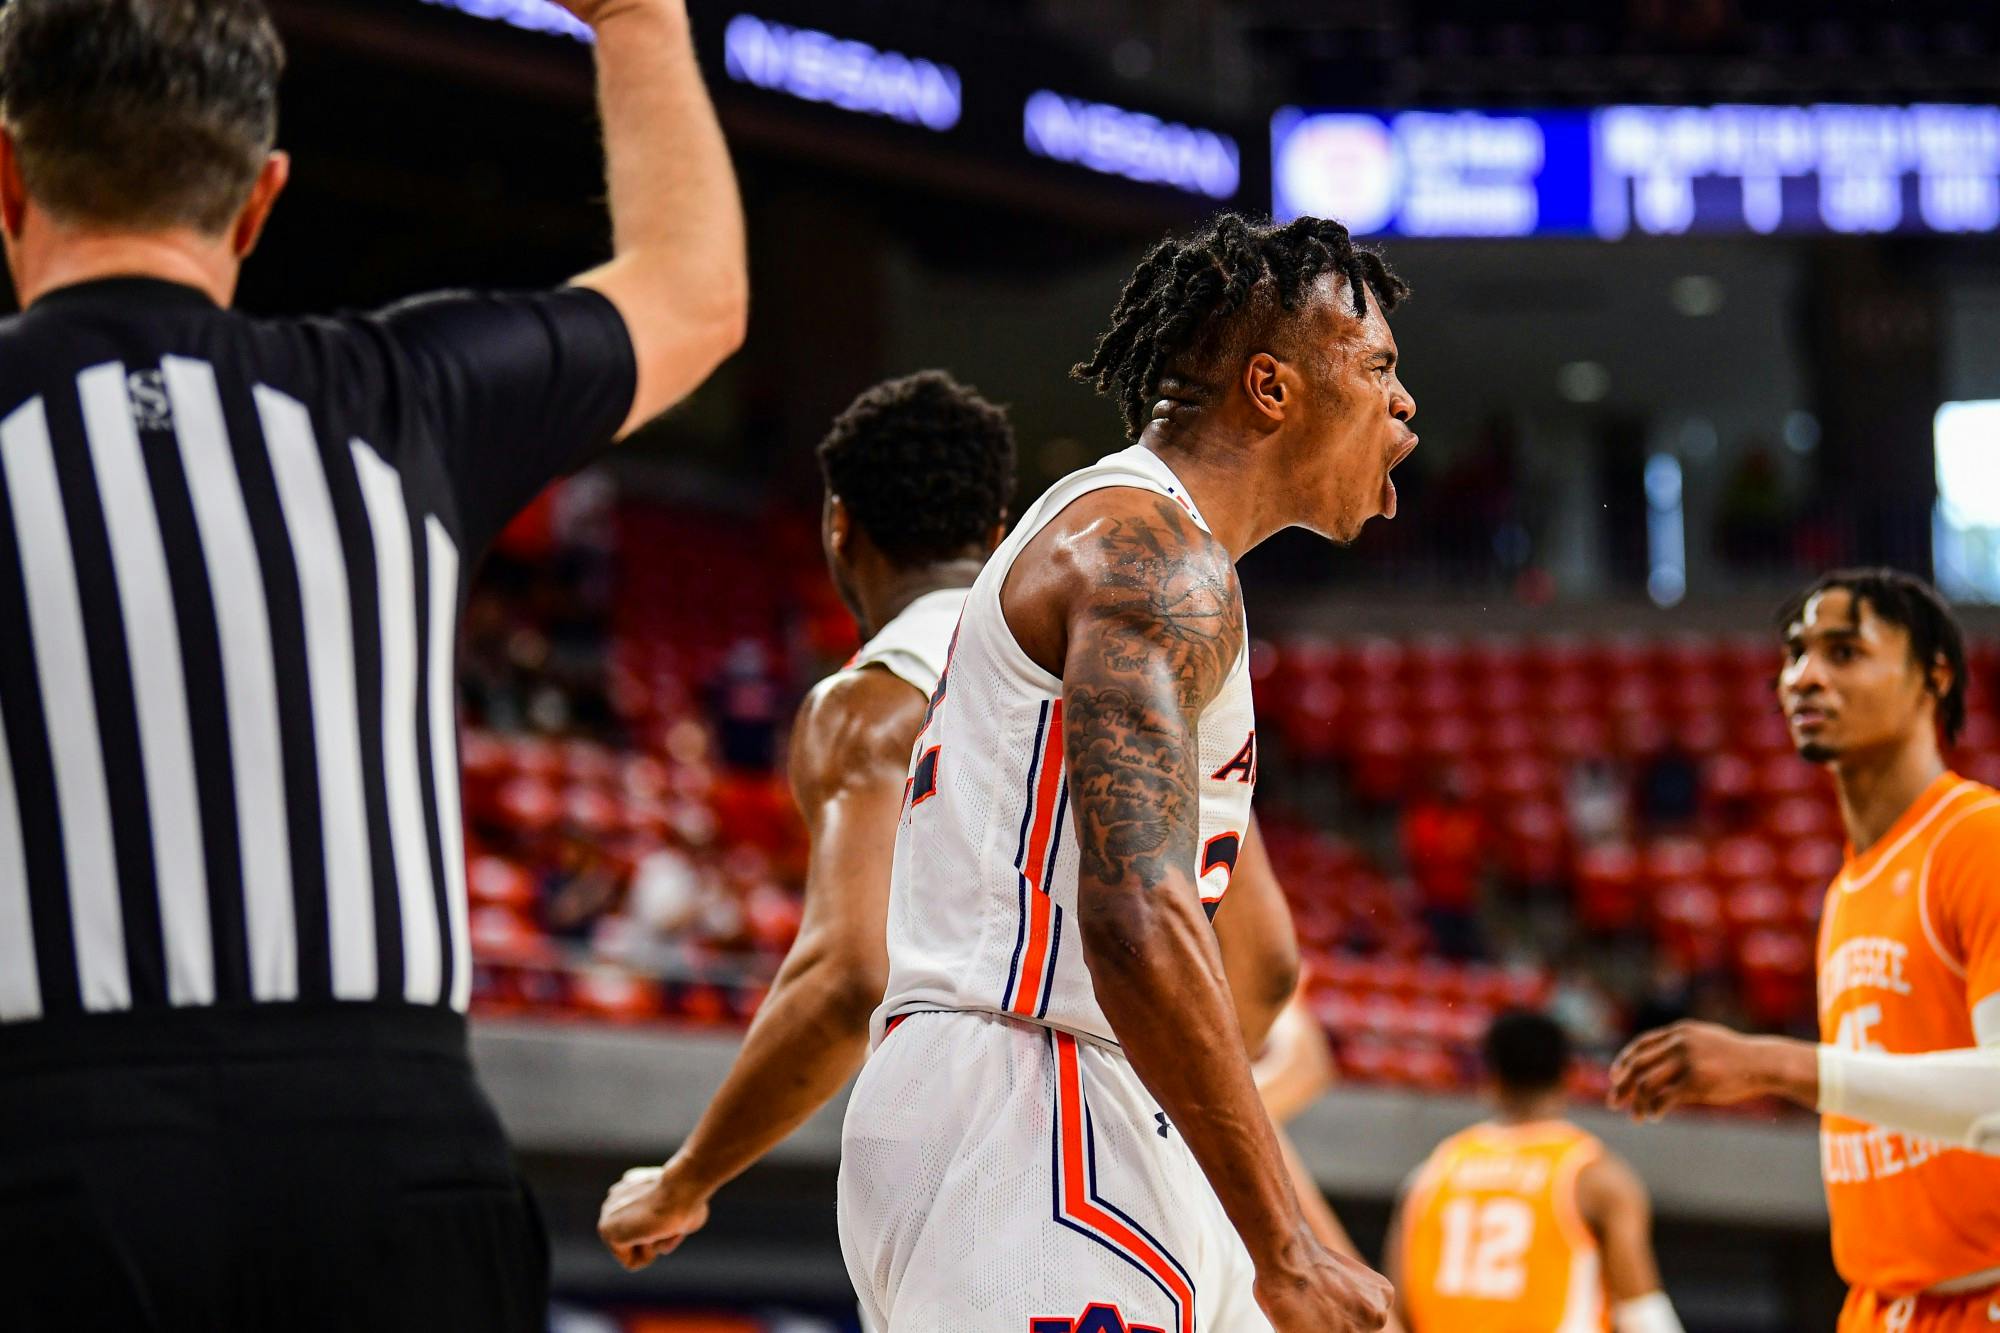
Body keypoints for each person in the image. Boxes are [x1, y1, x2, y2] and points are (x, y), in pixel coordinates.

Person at [0, 0, 744, 1327]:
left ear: (8, 179)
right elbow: (693, 289)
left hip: (53, 1156)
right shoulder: (402, 399)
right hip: (393, 1159)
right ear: (257, 200)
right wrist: (635, 19)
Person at [836, 212, 1416, 1333]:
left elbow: (1255, 962)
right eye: (1378, 366)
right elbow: (1135, 912)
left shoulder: (1160, 554)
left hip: (1082, 1090)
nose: (1402, 404)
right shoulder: (1147, 555)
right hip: (1025, 1094)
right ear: (1270, 386)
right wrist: (1283, 1244)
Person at [595, 369, 1017, 1263]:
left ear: (839, 528)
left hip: (994, 1200)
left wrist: (684, 1180)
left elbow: (848, 973)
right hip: (1171, 1202)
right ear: (998, 536)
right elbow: (1264, 967)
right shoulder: (1117, 683)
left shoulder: (867, 705)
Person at [1610, 569, 2000, 1333]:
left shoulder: (1976, 840)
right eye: (1795, 654)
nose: (1805, 676)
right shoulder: (1850, 885)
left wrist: (1772, 1064)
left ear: (1935, 674)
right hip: (1882, 1303)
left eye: (1844, 651)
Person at [1391, 1011, 1682, 1333]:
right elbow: (1641, 1313)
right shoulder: (1595, 1176)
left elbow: (1396, 1308)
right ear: (1567, 1074)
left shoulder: (1431, 1173)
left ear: (1492, 1076)